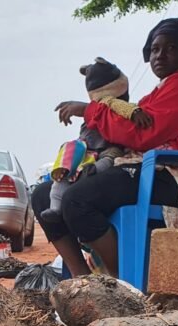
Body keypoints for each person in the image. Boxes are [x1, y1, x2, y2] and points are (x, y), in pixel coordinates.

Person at [32, 18, 178, 278]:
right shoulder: (158, 92)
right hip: (141, 169)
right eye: (155, 49)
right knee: (43, 194)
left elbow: (142, 135)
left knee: (77, 200)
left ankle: (122, 282)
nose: (160, 55)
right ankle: (80, 279)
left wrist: (89, 110)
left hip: (168, 176)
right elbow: (128, 126)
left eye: (171, 48)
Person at [41, 58, 132, 227]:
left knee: (77, 195)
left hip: (110, 154)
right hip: (88, 155)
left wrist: (86, 110)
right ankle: (55, 208)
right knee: (58, 181)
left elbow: (126, 120)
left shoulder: (118, 108)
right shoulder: (92, 112)